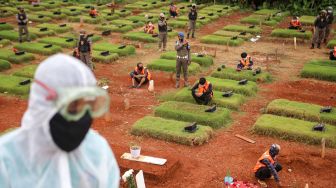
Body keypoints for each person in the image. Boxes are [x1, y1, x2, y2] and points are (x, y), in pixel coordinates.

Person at [0, 54, 120, 188]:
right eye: (73, 106)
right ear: (43, 103)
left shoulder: (98, 152)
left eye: (89, 105)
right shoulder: (5, 161)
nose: (82, 118)